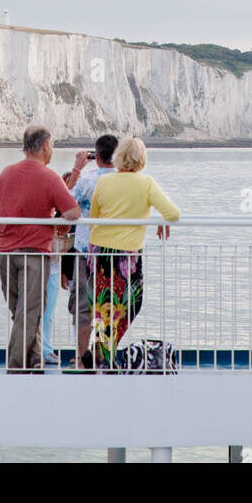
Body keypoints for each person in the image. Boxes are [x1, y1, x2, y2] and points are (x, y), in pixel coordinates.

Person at [0, 125, 79, 372]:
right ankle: (16, 367)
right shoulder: (49, 177)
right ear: (45, 147)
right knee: (29, 312)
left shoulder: (5, 173)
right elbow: (73, 212)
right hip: (34, 252)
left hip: (5, 251)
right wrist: (52, 219)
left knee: (20, 312)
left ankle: (35, 361)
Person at [87, 135, 180, 369]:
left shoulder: (104, 182)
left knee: (101, 311)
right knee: (131, 305)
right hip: (126, 255)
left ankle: (101, 353)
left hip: (98, 251)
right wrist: (161, 219)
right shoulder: (146, 183)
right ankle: (105, 356)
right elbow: (174, 214)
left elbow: (93, 220)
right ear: (141, 159)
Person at [65, 136, 118, 368]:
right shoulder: (125, 181)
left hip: (86, 251)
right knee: (111, 306)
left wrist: (77, 168)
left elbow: (64, 203)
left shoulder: (87, 180)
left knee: (83, 308)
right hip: (116, 253)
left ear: (96, 156)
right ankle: (104, 356)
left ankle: (82, 357)